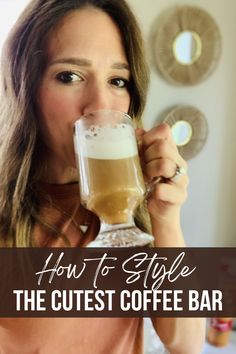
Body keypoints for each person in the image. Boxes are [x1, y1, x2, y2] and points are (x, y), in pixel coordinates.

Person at [0, 0, 205, 353]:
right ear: (25, 87)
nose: (101, 103)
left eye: (117, 80)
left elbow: (186, 343)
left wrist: (166, 216)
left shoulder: (133, 207)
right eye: (70, 76)